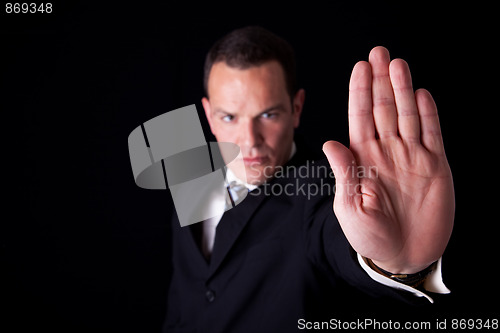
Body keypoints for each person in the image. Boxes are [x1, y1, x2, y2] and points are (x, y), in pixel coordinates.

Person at [162, 26, 454, 333]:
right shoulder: (192, 179)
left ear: (296, 108)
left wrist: (397, 263)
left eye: (268, 115)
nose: (249, 141)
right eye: (229, 117)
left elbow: (337, 238)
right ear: (209, 115)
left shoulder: (323, 191)